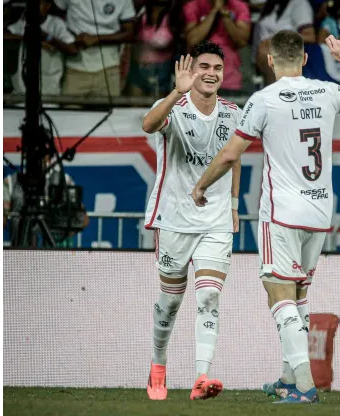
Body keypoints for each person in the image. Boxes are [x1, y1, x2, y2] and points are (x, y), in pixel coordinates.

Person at [190, 30, 340, 403]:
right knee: (299, 293)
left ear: (271, 61)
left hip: (282, 212)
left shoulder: (263, 100)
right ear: (305, 59)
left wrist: (201, 186)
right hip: (321, 209)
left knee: (279, 293)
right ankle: (290, 379)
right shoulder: (327, 91)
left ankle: (306, 387)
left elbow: (229, 154)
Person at [140, 41, 243, 401]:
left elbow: (234, 157)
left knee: (210, 296)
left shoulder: (233, 113)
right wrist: (175, 92)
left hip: (214, 220)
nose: (211, 73)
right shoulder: (174, 108)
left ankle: (202, 376)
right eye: (204, 66)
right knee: (170, 302)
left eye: (217, 67)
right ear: (191, 70)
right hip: (174, 219)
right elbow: (148, 124)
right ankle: (157, 365)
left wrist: (232, 204)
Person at [54, 0, 136, 97]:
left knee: (110, 111)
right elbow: (54, 16)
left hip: (108, 68)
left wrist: (97, 39)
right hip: (74, 67)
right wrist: (69, 37)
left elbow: (129, 34)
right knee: (69, 111)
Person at [4, 0, 78, 95]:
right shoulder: (22, 23)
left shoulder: (56, 24)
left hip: (49, 91)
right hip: (22, 93)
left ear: (48, 6)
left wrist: (48, 38)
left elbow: (73, 51)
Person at [183, 0, 251, 92]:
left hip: (230, 66)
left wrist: (225, 15)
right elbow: (192, 41)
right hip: (200, 60)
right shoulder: (193, 5)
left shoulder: (240, 6)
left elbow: (242, 41)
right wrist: (214, 11)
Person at [253, 0, 316, 86]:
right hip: (260, 64)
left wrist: (278, 39)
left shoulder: (299, 3)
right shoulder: (271, 5)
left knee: (276, 93)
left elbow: (310, 36)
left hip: (284, 61)